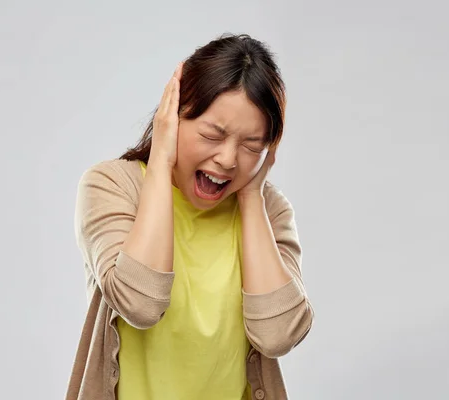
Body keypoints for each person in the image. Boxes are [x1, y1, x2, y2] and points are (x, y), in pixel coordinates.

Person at [66, 34, 314, 400]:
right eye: (213, 135)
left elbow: (278, 336)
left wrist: (249, 197)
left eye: (251, 146)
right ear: (175, 116)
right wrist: (162, 160)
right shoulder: (111, 186)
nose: (229, 160)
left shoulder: (269, 211)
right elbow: (141, 304)